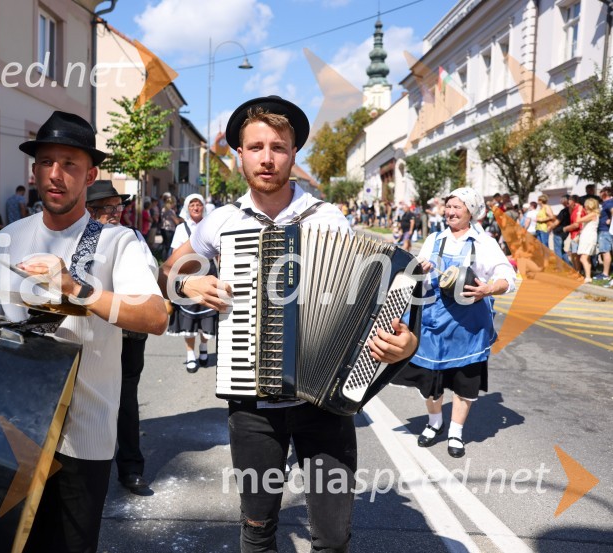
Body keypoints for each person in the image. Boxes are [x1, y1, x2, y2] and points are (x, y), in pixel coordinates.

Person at [158, 96, 417, 552]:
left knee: (333, 538)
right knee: (257, 528)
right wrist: (186, 284)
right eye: (255, 147)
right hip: (251, 406)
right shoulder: (222, 221)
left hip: (325, 404)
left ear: (293, 153)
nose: (267, 158)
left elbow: (368, 312)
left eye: (278, 147)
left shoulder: (328, 219)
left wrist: (405, 345)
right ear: (239, 154)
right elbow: (167, 272)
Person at [0, 110, 168, 552]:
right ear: (35, 171)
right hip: (11, 429)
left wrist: (77, 289)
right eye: (46, 162)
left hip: (83, 435)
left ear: (90, 175)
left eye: (70, 164)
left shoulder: (116, 242)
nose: (56, 174)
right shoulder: (5, 239)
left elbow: (155, 316)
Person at [393, 187, 515, 458]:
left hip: (468, 324)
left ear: (471, 211)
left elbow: (508, 277)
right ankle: (435, 422)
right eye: (448, 206)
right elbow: (416, 274)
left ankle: (456, 432)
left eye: (457, 207)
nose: (450, 212)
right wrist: (419, 270)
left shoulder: (484, 243)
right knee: (430, 378)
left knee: (464, 381)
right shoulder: (434, 239)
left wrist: (488, 289)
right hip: (433, 319)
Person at [85, 179, 156, 494]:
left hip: (128, 333)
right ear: (90, 211)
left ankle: (130, 468)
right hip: (90, 333)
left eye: (118, 207)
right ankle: (84, 468)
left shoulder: (134, 237)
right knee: (85, 400)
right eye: (107, 208)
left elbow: (151, 274)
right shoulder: (79, 240)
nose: (115, 213)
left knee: (126, 399)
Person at [165, 194, 218, 373]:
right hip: (188, 277)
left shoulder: (211, 226)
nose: (196, 208)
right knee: (188, 318)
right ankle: (190, 354)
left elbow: (219, 252)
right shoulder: (182, 228)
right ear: (187, 208)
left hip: (209, 274)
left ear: (203, 207)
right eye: (192, 205)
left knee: (207, 315)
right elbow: (175, 254)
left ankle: (203, 347)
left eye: (199, 204)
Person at [565, 197, 600, 283]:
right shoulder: (592, 214)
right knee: (586, 258)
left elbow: (578, 220)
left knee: (583, 258)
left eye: (585, 205)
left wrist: (579, 211)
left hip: (588, 237)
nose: (584, 207)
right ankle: (588, 276)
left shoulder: (593, 214)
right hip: (587, 237)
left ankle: (588, 276)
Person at [596, 186, 612, 282]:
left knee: (605, 252)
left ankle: (605, 274)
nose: (600, 193)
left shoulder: (608, 203)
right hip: (606, 230)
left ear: (605, 193)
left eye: (601, 192)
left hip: (605, 231)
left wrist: (611, 220)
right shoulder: (608, 202)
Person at [551, 195, 572, 265]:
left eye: (562, 200)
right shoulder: (571, 210)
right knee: (561, 250)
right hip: (565, 233)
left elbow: (556, 223)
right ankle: (568, 265)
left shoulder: (563, 211)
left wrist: (550, 228)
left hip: (559, 232)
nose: (561, 201)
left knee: (557, 251)